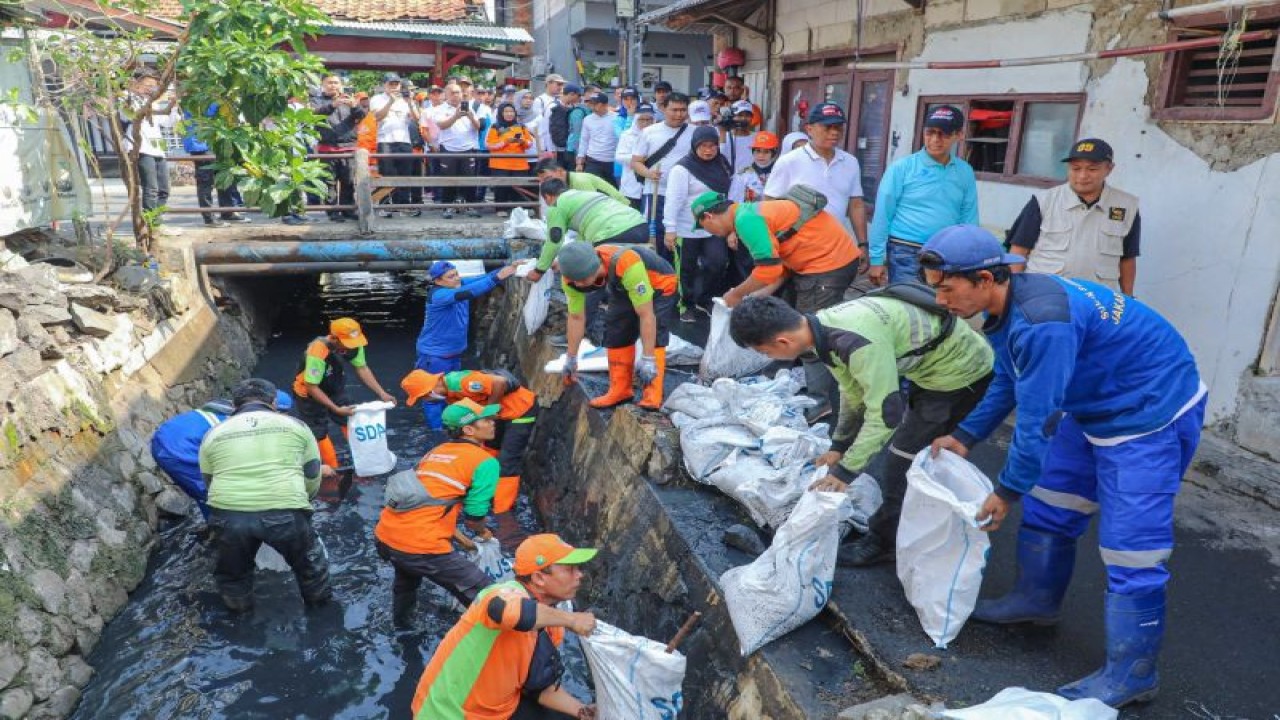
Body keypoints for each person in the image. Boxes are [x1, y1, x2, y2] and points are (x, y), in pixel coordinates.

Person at [921, 225, 1205, 708]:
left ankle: (1133, 671)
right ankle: (1036, 601)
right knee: (1053, 501)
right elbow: (1009, 379)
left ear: (986, 278)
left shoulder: (1042, 323)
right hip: (1095, 401)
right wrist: (966, 437)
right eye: (935, 287)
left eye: (947, 288)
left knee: (1131, 549)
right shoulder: (1007, 308)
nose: (940, 299)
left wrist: (1006, 492)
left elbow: (1035, 420)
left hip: (1149, 411)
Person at [728, 293, 994, 565]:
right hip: (931, 367)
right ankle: (920, 519)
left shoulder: (854, 340)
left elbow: (886, 415)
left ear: (782, 342)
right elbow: (852, 393)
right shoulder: (822, 330)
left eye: (765, 352)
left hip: (960, 373)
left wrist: (845, 472)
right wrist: (838, 447)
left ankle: (884, 542)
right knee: (915, 455)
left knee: (901, 460)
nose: (768, 358)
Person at [692, 190, 860, 418]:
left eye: (704, 227)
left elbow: (769, 268)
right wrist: (758, 293)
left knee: (809, 333)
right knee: (784, 318)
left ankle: (819, 402)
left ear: (709, 216)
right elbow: (778, 265)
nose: (710, 234)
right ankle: (776, 376)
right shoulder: (750, 212)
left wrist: (737, 294)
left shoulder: (746, 220)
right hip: (816, 261)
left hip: (827, 265)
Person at [411, 534, 599, 719]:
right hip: (448, 715)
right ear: (539, 578)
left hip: (499, 710)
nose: (580, 575)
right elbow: (506, 610)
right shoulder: (501, 594)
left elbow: (538, 686)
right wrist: (571, 620)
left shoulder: (551, 624)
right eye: (570, 569)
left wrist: (582, 711)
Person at [200, 379, 333, 611]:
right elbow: (312, 474)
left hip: (230, 516)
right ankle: (320, 614)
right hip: (285, 511)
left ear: (234, 405)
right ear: (273, 402)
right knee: (311, 567)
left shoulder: (213, 434)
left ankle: (241, 619)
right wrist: (303, 504)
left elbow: (209, 482)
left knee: (233, 576)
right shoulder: (296, 426)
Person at [374, 399, 503, 626]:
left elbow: (431, 503)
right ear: (468, 430)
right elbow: (474, 517)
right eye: (486, 419)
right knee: (490, 597)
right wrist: (483, 533)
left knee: (407, 579)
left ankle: (402, 624)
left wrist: (462, 540)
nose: (493, 423)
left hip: (386, 537)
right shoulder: (484, 462)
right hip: (421, 547)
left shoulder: (436, 452)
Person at [402, 369, 538, 549]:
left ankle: (502, 511)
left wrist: (488, 411)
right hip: (495, 418)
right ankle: (487, 492)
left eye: (423, 398)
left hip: (520, 410)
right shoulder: (451, 394)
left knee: (507, 464)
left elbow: (499, 382)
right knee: (489, 450)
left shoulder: (463, 382)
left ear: (430, 390)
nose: (426, 401)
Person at [1005, 138, 1140, 295]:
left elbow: (1128, 258)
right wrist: (1012, 294)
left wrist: (1128, 298)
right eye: (1075, 169)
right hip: (1045, 295)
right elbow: (1018, 250)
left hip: (1099, 300)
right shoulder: (1043, 201)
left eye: (1092, 169)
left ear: (1109, 169)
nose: (1082, 176)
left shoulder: (1127, 206)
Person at [558, 242, 677, 409]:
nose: (579, 285)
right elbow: (576, 317)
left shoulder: (627, 263)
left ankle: (652, 393)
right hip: (622, 286)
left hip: (660, 284)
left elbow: (646, 315)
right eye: (575, 282)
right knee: (616, 330)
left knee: (654, 335)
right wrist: (571, 358)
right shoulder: (571, 278)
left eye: (584, 280)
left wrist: (648, 359)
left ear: (597, 266)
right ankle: (620, 390)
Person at [868, 105, 978, 285]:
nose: (935, 139)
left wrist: (971, 256)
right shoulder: (902, 168)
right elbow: (882, 214)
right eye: (930, 132)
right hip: (905, 250)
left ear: (959, 135)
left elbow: (969, 218)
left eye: (943, 133)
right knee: (909, 307)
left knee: (943, 307)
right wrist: (876, 259)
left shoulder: (964, 171)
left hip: (946, 252)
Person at [415, 261, 519, 429]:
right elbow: (470, 292)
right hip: (434, 357)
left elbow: (482, 278)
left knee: (451, 392)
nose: (457, 279)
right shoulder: (439, 295)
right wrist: (500, 276)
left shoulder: (458, 284)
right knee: (433, 396)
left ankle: (453, 424)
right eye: (451, 276)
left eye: (457, 274)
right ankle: (437, 431)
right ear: (438, 281)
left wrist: (511, 268)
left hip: (452, 354)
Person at [292, 317, 397, 469]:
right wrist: (335, 408)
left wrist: (382, 393)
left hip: (334, 387)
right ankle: (332, 468)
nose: (351, 347)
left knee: (350, 419)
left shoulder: (355, 346)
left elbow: (362, 368)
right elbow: (311, 385)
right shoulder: (317, 350)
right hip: (308, 393)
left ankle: (364, 461)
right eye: (347, 343)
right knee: (318, 432)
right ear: (334, 338)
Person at [765, 102, 868, 249]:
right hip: (797, 246)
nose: (834, 133)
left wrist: (863, 244)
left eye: (838, 127)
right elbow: (770, 203)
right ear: (809, 129)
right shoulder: (789, 161)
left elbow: (856, 205)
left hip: (836, 246)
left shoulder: (850, 162)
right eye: (827, 127)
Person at [664, 126, 734, 321]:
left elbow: (729, 195)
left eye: (712, 145)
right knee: (686, 269)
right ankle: (685, 304)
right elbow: (674, 199)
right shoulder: (682, 169)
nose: (708, 150)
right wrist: (670, 229)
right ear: (694, 146)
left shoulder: (722, 164)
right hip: (686, 228)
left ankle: (705, 299)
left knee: (717, 263)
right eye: (703, 146)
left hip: (716, 227)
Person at [630, 92, 692, 263]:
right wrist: (649, 173)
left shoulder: (695, 133)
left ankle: (677, 272)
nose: (679, 115)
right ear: (663, 108)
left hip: (685, 196)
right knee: (655, 234)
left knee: (680, 233)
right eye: (674, 110)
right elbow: (636, 162)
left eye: (683, 110)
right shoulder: (649, 132)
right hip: (656, 193)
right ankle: (656, 269)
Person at [152, 398, 235, 519]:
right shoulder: (233, 423)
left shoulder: (215, 411)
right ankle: (221, 527)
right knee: (215, 493)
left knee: (201, 491)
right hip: (183, 449)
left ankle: (215, 524)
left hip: (160, 442)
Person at [181, 104, 249, 227]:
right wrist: (219, 102)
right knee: (205, 183)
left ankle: (227, 212)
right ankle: (209, 218)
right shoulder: (194, 101)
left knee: (224, 178)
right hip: (200, 144)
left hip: (215, 143)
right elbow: (207, 113)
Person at [311, 74, 366, 223]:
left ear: (340, 84)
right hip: (327, 148)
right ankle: (332, 211)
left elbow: (362, 115)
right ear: (322, 84)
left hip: (348, 148)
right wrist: (333, 105)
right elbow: (314, 115)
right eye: (329, 83)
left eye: (335, 83)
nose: (332, 85)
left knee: (348, 181)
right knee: (329, 183)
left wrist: (354, 106)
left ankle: (348, 210)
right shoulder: (316, 100)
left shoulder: (349, 99)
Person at [370, 73, 423, 217]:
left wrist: (411, 101)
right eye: (391, 84)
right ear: (384, 85)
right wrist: (390, 102)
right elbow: (377, 117)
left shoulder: (406, 101)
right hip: (385, 141)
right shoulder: (377, 99)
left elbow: (417, 118)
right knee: (387, 175)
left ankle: (403, 206)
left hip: (404, 141)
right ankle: (385, 206)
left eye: (396, 84)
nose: (394, 87)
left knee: (405, 175)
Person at [121, 69, 170, 217]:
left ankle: (155, 220)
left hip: (157, 148)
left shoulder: (153, 103)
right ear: (135, 84)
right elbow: (127, 116)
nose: (150, 89)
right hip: (141, 148)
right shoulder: (127, 99)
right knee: (151, 188)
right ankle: (149, 223)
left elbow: (166, 122)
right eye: (147, 85)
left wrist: (173, 106)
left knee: (164, 190)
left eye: (153, 86)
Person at [430, 83, 482, 218]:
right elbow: (441, 125)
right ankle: (448, 207)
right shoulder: (440, 108)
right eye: (452, 92)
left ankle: (470, 205)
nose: (455, 95)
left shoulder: (469, 107)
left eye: (458, 92)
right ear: (446, 94)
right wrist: (456, 116)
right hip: (448, 149)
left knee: (469, 179)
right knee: (449, 179)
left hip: (468, 148)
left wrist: (470, 116)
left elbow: (478, 127)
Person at [486, 102, 535, 218]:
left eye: (511, 111)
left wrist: (522, 142)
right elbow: (489, 145)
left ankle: (519, 209)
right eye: (506, 112)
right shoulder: (495, 127)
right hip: (500, 163)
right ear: (501, 113)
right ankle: (501, 208)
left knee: (520, 187)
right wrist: (505, 142)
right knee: (501, 187)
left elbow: (530, 143)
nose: (509, 114)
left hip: (519, 163)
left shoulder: (521, 126)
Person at [615, 103, 656, 211]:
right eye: (642, 120)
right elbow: (619, 156)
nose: (646, 123)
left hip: (653, 183)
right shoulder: (627, 135)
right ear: (636, 120)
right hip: (631, 184)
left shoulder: (658, 134)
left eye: (649, 120)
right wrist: (639, 158)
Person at [534, 160, 628, 203]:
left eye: (547, 178)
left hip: (621, 212)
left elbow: (592, 208)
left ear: (560, 171)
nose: (545, 183)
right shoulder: (563, 184)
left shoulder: (580, 181)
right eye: (542, 181)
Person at [575, 93, 619, 186]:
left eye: (596, 104)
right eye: (592, 104)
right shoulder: (587, 119)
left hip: (612, 161)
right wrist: (580, 163)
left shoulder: (617, 118)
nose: (593, 107)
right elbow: (584, 140)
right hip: (593, 160)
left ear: (605, 105)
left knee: (612, 190)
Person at [728, 131, 779, 203]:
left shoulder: (780, 172)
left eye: (766, 152)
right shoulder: (742, 174)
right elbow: (734, 200)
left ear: (773, 153)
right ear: (752, 152)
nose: (761, 155)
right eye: (758, 151)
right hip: (750, 213)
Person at [549, 84, 589, 169]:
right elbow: (547, 130)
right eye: (579, 96)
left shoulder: (570, 107)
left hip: (566, 148)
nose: (580, 98)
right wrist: (552, 149)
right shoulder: (553, 106)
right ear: (571, 94)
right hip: (557, 149)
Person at [719, 100, 757, 173]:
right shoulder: (724, 136)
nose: (743, 119)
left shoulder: (757, 137)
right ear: (732, 117)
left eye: (747, 115)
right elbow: (721, 157)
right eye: (740, 115)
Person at [533, 74, 566, 159]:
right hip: (546, 145)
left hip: (559, 143)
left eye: (562, 85)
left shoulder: (561, 100)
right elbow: (538, 126)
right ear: (548, 83)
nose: (560, 87)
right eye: (558, 84)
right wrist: (541, 148)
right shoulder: (540, 100)